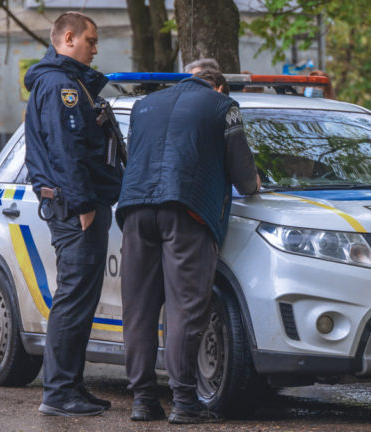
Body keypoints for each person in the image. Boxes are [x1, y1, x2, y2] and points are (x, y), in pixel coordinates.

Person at [117, 61, 260, 424]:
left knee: (139, 310)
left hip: (135, 211)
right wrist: (253, 184)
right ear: (219, 88)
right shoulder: (222, 107)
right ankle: (184, 402)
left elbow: (136, 158)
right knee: (185, 309)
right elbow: (243, 173)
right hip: (187, 211)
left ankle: (143, 400)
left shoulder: (144, 105)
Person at [24, 11, 123, 417]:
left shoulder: (73, 83)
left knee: (82, 299)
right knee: (73, 298)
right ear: (68, 38)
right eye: (91, 41)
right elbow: (67, 151)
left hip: (80, 203)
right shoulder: (60, 86)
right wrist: (83, 205)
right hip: (73, 208)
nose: (96, 49)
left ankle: (71, 386)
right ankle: (59, 392)